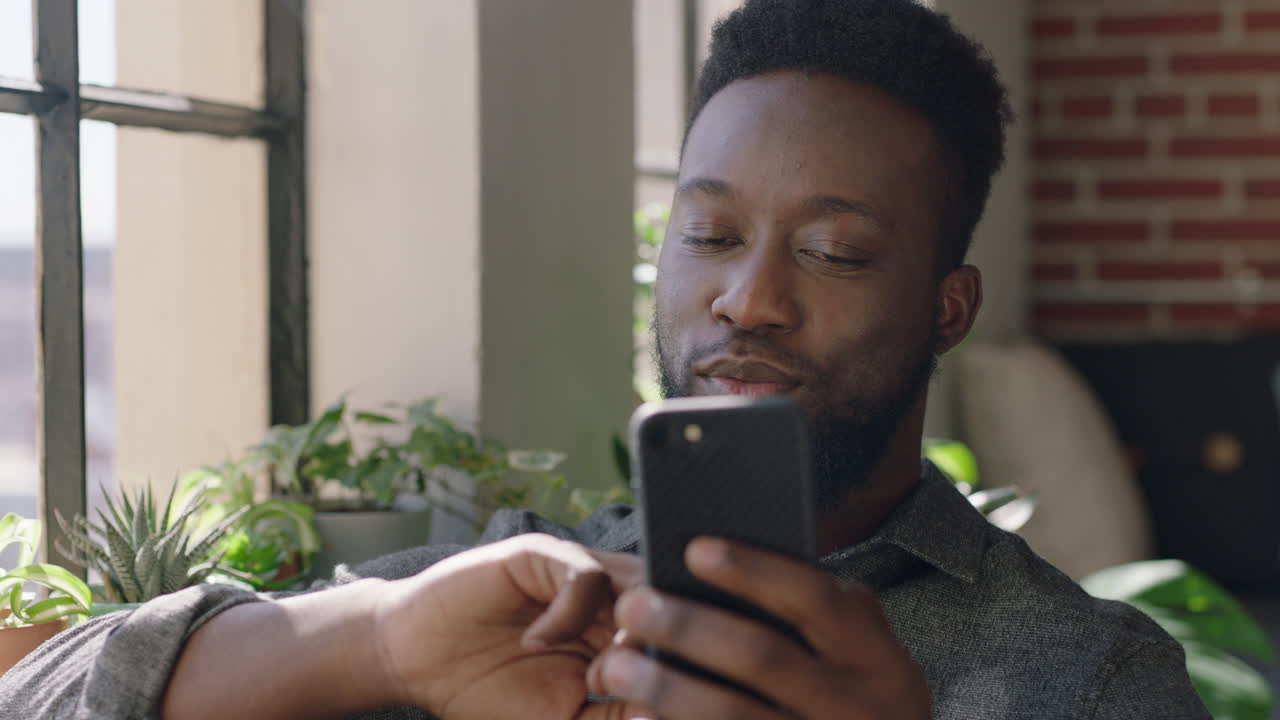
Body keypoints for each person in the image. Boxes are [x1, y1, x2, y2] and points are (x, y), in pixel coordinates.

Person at [1, 1, 1209, 718]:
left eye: (836, 251)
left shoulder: (1093, 675)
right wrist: (370, 642)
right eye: (708, 235)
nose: (749, 299)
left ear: (948, 307)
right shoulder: (513, 597)